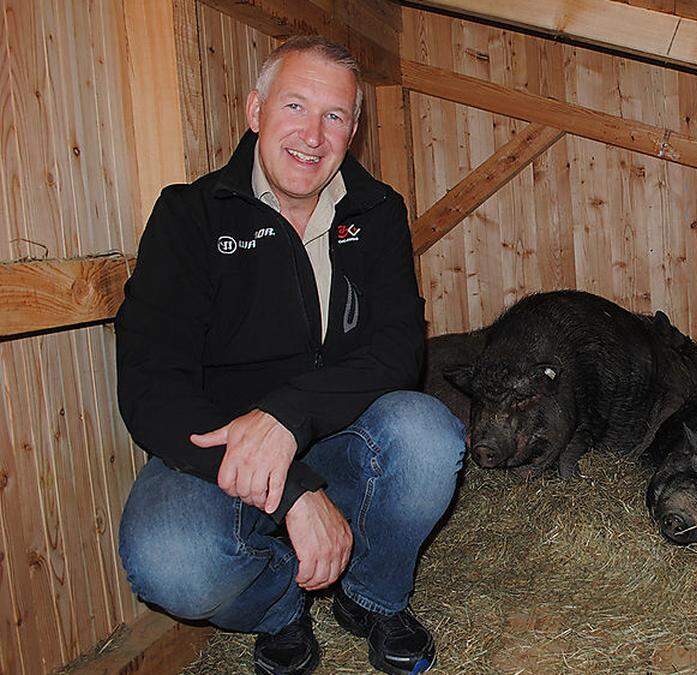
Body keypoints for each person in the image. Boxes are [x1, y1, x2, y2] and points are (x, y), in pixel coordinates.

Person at [115, 36, 464, 675]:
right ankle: (280, 608)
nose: (313, 133)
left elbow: (396, 353)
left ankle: (371, 597)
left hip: (338, 431)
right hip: (218, 448)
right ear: (256, 111)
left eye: (335, 115)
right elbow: (149, 385)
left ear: (353, 129)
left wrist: (286, 417)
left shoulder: (377, 211)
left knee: (427, 433)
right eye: (296, 106)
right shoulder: (189, 216)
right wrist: (295, 496)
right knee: (172, 564)